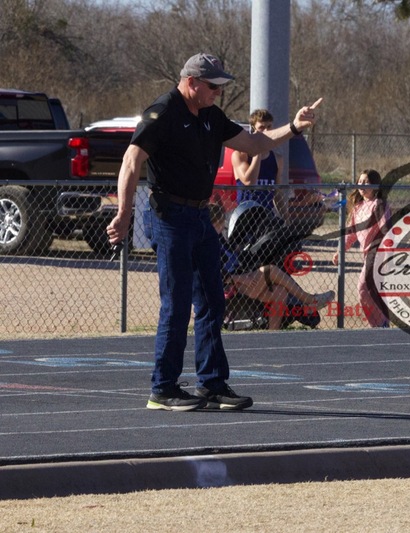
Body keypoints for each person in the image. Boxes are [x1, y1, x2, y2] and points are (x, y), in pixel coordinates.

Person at [106, 52, 322, 411]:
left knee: (212, 301)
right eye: (212, 86)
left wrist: (295, 127)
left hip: (201, 218)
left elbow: (256, 144)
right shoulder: (163, 112)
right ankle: (163, 389)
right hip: (171, 217)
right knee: (176, 305)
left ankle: (211, 383)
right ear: (191, 82)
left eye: (220, 87)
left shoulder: (211, 116)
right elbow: (131, 160)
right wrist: (125, 212)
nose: (218, 93)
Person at [209, 202, 334, 330]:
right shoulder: (210, 243)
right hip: (230, 287)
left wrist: (245, 275)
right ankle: (310, 300)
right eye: (220, 223)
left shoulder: (220, 240)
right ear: (213, 224)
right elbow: (216, 274)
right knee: (269, 270)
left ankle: (272, 335)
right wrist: (242, 279)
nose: (223, 226)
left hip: (242, 282)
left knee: (280, 293)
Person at [232, 108, 325, 226]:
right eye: (261, 127)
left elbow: (278, 193)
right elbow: (249, 181)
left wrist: (286, 219)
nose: (266, 131)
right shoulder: (240, 155)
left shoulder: (277, 159)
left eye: (269, 127)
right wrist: (257, 151)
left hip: (266, 217)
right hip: (245, 216)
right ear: (253, 129)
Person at [332, 169, 391, 328]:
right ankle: (379, 326)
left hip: (378, 252)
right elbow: (350, 233)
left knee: (363, 288)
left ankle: (382, 325)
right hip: (367, 254)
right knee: (371, 293)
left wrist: (389, 255)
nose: (362, 185)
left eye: (366, 182)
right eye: (360, 182)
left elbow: (386, 230)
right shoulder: (358, 206)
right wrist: (340, 250)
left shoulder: (379, 204)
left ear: (375, 185)